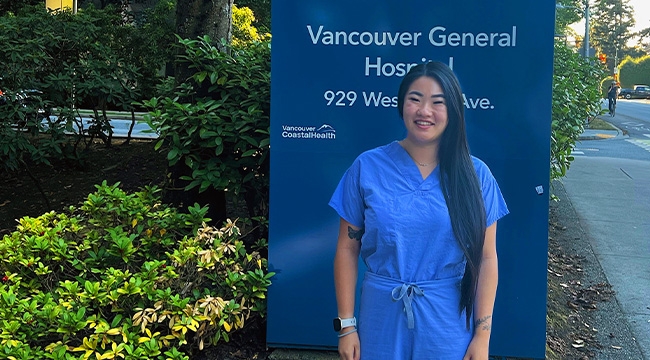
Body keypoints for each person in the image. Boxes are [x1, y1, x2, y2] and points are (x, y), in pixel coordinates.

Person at [329, 61, 509, 360]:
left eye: (438, 102)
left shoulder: (476, 176)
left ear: (453, 111)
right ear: (401, 105)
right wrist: (347, 326)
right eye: (415, 99)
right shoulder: (367, 167)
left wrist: (482, 335)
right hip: (381, 317)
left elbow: (486, 257)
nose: (425, 111)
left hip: (447, 321)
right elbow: (347, 249)